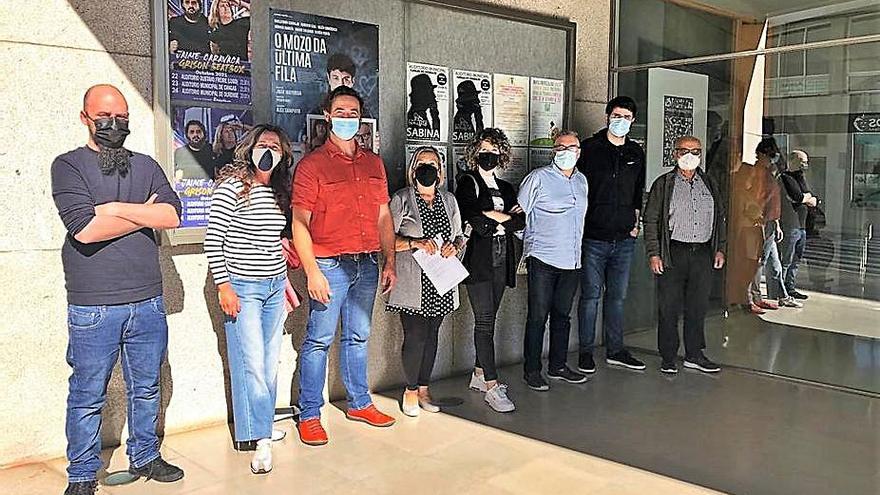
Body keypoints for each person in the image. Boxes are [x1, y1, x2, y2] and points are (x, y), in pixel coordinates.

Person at [51, 85, 184, 495]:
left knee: (146, 386)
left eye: (122, 117)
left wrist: (114, 209)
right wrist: (144, 214)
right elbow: (85, 229)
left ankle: (145, 455)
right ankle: (81, 474)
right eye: (105, 117)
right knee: (88, 392)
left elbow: (172, 214)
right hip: (94, 305)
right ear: (85, 118)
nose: (114, 125)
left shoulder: (144, 165)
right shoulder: (68, 166)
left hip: (147, 299)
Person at [292, 86, 398, 445]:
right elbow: (299, 222)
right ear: (327, 115)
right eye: (341, 111)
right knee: (318, 340)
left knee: (358, 337)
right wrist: (312, 271)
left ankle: (359, 402)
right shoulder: (312, 166)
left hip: (367, 263)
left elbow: (384, 216)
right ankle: (308, 413)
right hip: (330, 265)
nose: (347, 118)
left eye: (353, 112)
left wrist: (390, 261)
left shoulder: (373, 163)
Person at [204, 124, 293, 474]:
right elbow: (215, 239)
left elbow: (275, 240)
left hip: (273, 285)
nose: (269, 150)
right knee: (252, 362)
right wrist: (223, 286)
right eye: (263, 144)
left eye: (276, 146)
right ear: (250, 148)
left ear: (284, 155)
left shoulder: (277, 191)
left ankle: (259, 428)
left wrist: (283, 280)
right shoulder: (232, 186)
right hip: (244, 286)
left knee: (269, 361)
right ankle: (261, 440)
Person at [386, 147, 465, 416]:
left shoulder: (449, 200)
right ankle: (409, 390)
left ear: (440, 170)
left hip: (441, 281)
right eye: (422, 163)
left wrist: (455, 247)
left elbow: (459, 236)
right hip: (413, 283)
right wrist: (414, 243)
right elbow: (384, 241)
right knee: (416, 336)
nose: (427, 167)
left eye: (432, 163)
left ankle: (424, 388)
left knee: (432, 335)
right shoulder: (401, 200)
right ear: (413, 168)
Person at [575, 96, 647, 374]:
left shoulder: (635, 152)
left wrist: (636, 222)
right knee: (591, 296)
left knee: (617, 297)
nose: (621, 121)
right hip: (593, 236)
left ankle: (616, 349)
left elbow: (637, 191)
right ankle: (585, 351)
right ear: (607, 116)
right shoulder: (590, 149)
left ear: (633, 121)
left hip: (625, 237)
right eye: (616, 115)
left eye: (627, 117)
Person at [455, 128, 524, 412]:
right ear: (475, 152)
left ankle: (479, 373)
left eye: (495, 151)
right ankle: (492, 386)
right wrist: (500, 219)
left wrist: (492, 217)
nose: (489, 156)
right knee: (484, 320)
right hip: (478, 259)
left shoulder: (506, 188)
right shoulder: (467, 182)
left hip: (502, 256)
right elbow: (471, 216)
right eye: (484, 150)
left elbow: (519, 222)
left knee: (490, 316)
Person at [644, 136, 725, 374]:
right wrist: (653, 253)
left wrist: (720, 247)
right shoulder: (664, 183)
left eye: (695, 151)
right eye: (684, 150)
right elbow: (651, 220)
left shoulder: (708, 182)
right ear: (675, 153)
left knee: (697, 306)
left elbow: (719, 216)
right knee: (669, 306)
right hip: (673, 252)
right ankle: (668, 356)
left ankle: (694, 354)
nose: (690, 155)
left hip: (702, 252)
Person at [519, 131, 589, 391]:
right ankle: (532, 370)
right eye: (561, 147)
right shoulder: (538, 178)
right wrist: (532, 243)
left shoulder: (582, 181)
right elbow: (518, 215)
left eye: (572, 147)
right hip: (544, 258)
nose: (567, 151)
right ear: (553, 151)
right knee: (538, 316)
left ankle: (558, 365)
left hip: (572, 260)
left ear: (580, 151)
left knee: (562, 316)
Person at [780, 150, 817, 300]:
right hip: (791, 225)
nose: (804, 164)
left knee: (796, 259)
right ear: (793, 160)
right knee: (786, 260)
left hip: (802, 226)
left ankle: (790, 287)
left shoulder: (799, 177)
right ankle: (780, 290)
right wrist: (806, 198)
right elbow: (798, 197)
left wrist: (806, 197)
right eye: (802, 161)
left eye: (806, 161)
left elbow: (810, 197)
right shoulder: (785, 178)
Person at [407, 74, 441, 141]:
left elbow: (435, 137)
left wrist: (434, 115)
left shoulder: (423, 112)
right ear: (423, 94)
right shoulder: (416, 114)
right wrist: (435, 116)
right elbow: (434, 138)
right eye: (431, 92)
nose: (434, 96)